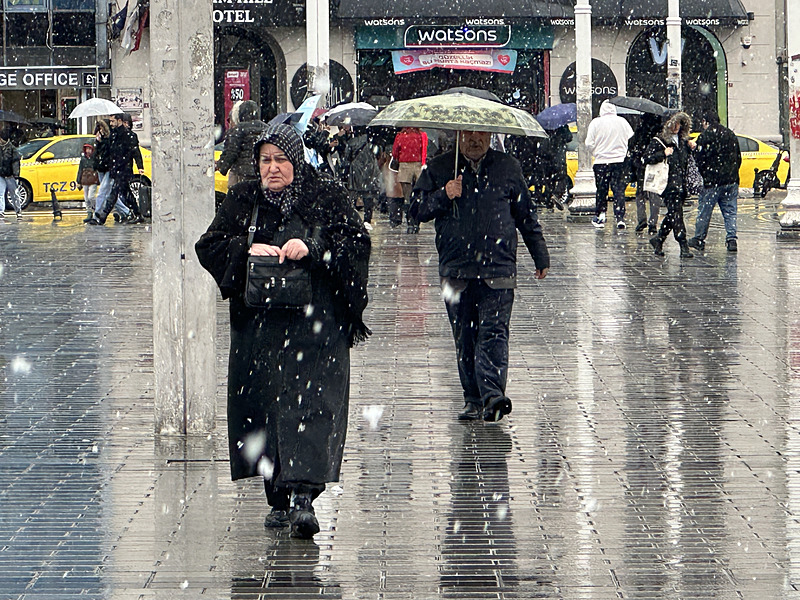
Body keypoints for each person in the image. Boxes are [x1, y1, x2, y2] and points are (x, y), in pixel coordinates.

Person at [195, 124, 371, 539]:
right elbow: (209, 246)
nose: (272, 169)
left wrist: (313, 247)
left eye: (281, 160)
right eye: (265, 160)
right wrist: (246, 248)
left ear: (296, 161)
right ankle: (277, 495)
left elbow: (355, 243)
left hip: (315, 327)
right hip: (261, 330)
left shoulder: (324, 194)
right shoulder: (243, 199)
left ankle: (303, 498)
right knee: (267, 410)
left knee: (309, 407)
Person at [413, 130, 550, 422]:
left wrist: (540, 254)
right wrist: (443, 194)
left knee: (494, 332)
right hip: (456, 269)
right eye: (470, 134)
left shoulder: (507, 167)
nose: (475, 140)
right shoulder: (440, 167)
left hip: (498, 267)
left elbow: (526, 214)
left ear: (490, 135)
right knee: (465, 336)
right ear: (459, 136)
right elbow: (416, 210)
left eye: (481, 134)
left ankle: (492, 396)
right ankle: (473, 398)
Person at [687, 111, 742, 253]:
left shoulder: (705, 136)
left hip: (712, 182)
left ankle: (699, 238)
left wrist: (704, 173)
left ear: (706, 121)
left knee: (705, 211)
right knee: (730, 211)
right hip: (731, 180)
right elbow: (738, 157)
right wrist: (732, 172)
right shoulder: (730, 134)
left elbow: (699, 159)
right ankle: (731, 239)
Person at [644, 112, 696, 258]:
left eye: (679, 123)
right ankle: (683, 244)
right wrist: (663, 154)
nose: (676, 127)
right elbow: (647, 158)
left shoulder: (683, 142)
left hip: (681, 184)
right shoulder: (659, 141)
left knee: (673, 213)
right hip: (668, 185)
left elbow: (686, 162)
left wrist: (693, 148)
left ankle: (658, 240)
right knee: (677, 214)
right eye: (673, 123)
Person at [585, 100, 634, 229]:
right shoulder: (622, 122)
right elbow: (630, 138)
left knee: (602, 189)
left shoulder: (595, 123)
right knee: (619, 189)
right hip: (620, 161)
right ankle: (620, 217)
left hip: (601, 162)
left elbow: (589, 143)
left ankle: (601, 215)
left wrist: (597, 153)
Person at [89, 113, 141, 225]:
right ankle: (136, 213)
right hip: (115, 168)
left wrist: (140, 166)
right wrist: (100, 140)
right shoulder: (113, 135)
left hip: (124, 169)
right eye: (111, 121)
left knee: (114, 193)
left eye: (113, 121)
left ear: (120, 121)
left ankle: (102, 217)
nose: (111, 123)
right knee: (126, 193)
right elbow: (108, 150)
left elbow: (135, 151)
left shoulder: (128, 135)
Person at [216, 100, 267, 191]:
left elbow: (231, 152)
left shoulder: (238, 130)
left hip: (241, 173)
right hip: (260, 173)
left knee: (238, 199)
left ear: (241, 114)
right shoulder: (266, 128)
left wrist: (221, 165)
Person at [627, 113, 664, 234]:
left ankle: (641, 219)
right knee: (654, 193)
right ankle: (653, 222)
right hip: (655, 166)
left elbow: (631, 144)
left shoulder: (640, 131)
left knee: (640, 193)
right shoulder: (660, 134)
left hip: (641, 166)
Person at [344, 127, 381, 229]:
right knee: (368, 197)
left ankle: (351, 217)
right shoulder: (372, 143)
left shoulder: (351, 142)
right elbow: (378, 155)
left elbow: (347, 158)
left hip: (355, 171)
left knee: (352, 195)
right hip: (370, 171)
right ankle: (367, 220)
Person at [392, 127, 427, 233]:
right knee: (418, 195)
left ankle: (410, 222)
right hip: (418, 165)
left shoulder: (401, 136)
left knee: (407, 196)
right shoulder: (422, 135)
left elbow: (395, 152)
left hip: (404, 165)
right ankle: (417, 222)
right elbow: (424, 150)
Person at [0, 128, 21, 221]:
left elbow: (16, 163)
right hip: (1, 174)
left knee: (14, 194)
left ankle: (18, 211)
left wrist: (16, 175)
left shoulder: (12, 149)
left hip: (10, 175)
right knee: (0, 193)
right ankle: (1, 212)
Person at [76, 143, 100, 222]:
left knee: (91, 196)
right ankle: (89, 212)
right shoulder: (83, 159)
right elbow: (80, 170)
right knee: (86, 198)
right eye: (87, 149)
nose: (88, 151)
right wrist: (78, 181)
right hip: (85, 179)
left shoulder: (95, 158)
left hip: (93, 179)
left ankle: (96, 209)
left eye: (89, 149)